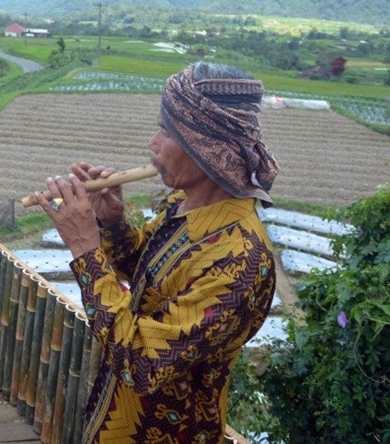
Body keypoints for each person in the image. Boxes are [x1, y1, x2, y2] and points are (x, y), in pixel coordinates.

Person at [34, 61, 279, 444]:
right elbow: (147, 275)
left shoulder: (242, 262)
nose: (152, 143)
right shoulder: (184, 204)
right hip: (117, 420)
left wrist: (85, 249)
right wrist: (111, 222)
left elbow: (141, 364)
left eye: (167, 130)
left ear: (206, 147)